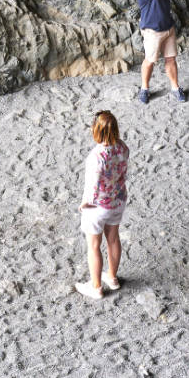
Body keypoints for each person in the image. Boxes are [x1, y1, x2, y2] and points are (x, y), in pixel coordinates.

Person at [76, 110, 128, 300]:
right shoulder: (122, 147)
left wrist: (85, 203)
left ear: (95, 130)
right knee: (113, 238)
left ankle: (96, 287)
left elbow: (93, 186)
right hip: (117, 200)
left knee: (94, 245)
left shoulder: (96, 156)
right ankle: (112, 277)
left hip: (98, 207)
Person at [134, 0, 189, 103]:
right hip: (152, 30)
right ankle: (144, 89)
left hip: (168, 27)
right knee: (150, 60)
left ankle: (175, 88)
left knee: (171, 59)